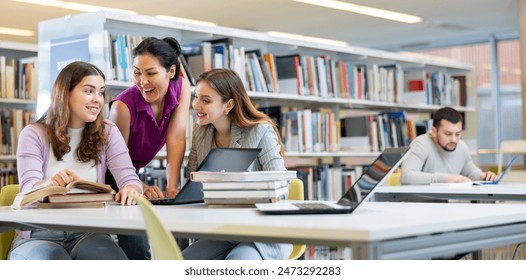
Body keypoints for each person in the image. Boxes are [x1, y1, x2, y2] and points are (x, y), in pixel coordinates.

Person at [9, 61, 143, 260]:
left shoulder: (108, 131)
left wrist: (132, 188)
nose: (97, 99)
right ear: (65, 93)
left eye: (101, 92)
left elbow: (129, 179)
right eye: (89, 91)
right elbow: (28, 190)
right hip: (38, 235)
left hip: (88, 232)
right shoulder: (33, 134)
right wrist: (51, 183)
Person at [181, 68, 292, 260]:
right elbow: (195, 183)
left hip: (260, 232)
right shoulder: (201, 133)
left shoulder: (260, 130)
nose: (196, 105)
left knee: (237, 263)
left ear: (228, 105)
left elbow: (282, 184)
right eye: (196, 97)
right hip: (221, 229)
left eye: (205, 100)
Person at [107, 37, 191, 259]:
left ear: (171, 72)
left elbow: (176, 136)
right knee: (136, 238)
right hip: (109, 173)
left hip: (131, 173)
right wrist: (140, 186)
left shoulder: (182, 87)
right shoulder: (122, 108)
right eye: (137, 72)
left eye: (151, 73)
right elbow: (113, 164)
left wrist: (172, 187)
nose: (142, 81)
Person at [400, 106, 498, 185]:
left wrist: (484, 176)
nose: (454, 140)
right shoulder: (421, 144)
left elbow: (472, 172)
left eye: (457, 134)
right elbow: (407, 176)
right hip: (417, 206)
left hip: (446, 205)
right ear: (434, 131)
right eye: (448, 134)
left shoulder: (461, 146)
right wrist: (447, 178)